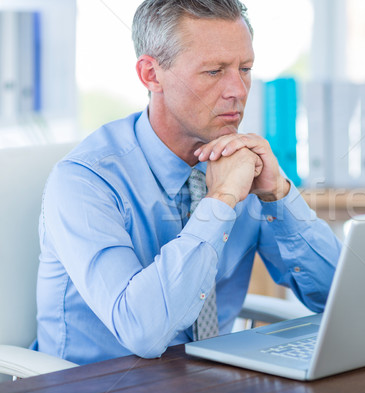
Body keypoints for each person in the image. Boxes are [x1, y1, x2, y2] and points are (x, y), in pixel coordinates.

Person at [35, 0, 341, 365]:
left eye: (245, 68)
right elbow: (142, 332)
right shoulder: (85, 182)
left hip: (212, 381)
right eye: (213, 72)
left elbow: (338, 298)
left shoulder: (244, 166)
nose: (238, 91)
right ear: (151, 74)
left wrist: (279, 196)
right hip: (97, 387)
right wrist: (220, 201)